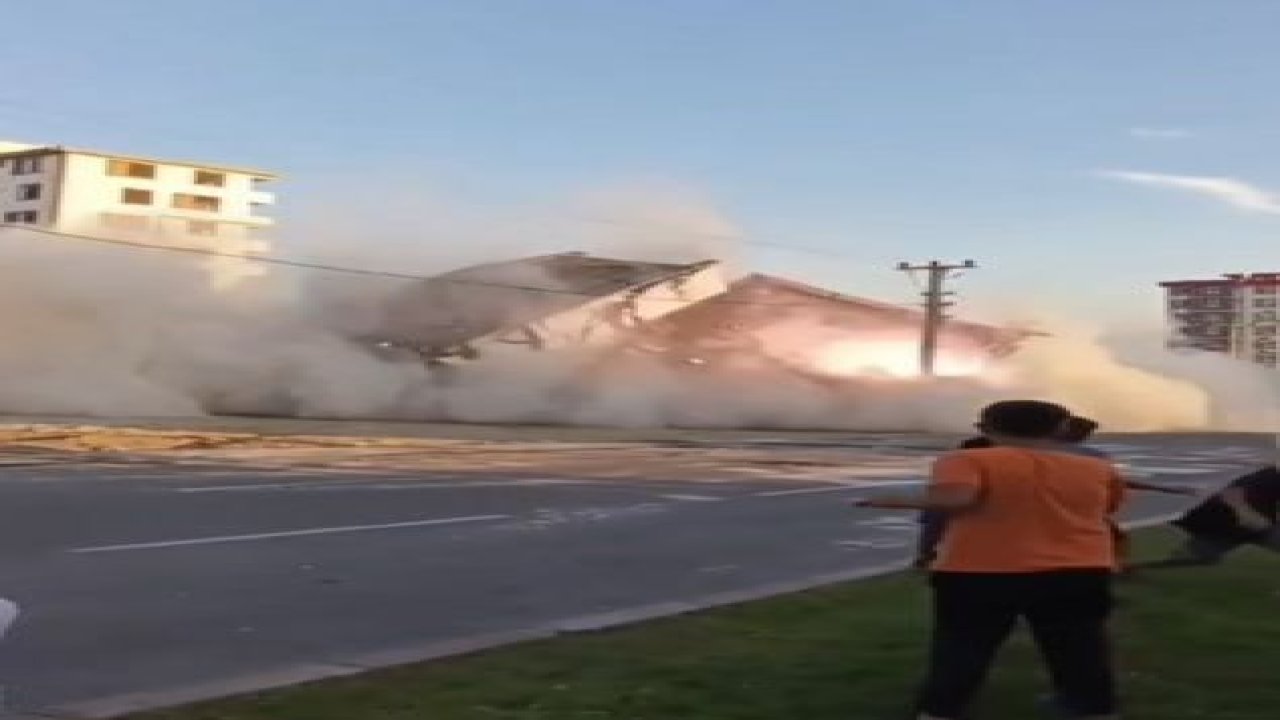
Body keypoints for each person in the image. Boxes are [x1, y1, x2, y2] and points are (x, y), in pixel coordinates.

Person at [857, 400, 1125, 720]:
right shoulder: (1096, 468)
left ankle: (940, 711)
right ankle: (1093, 709)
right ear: (1062, 429)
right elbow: (1108, 507)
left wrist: (886, 500)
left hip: (981, 569)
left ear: (986, 429)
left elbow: (957, 498)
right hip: (1078, 568)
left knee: (963, 648)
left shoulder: (966, 459)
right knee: (1079, 648)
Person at [1136, 464, 1280, 569]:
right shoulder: (1269, 476)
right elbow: (1232, 495)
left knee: (1195, 560)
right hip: (1223, 525)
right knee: (1189, 562)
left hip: (1257, 526)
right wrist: (1247, 515)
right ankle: (1126, 572)